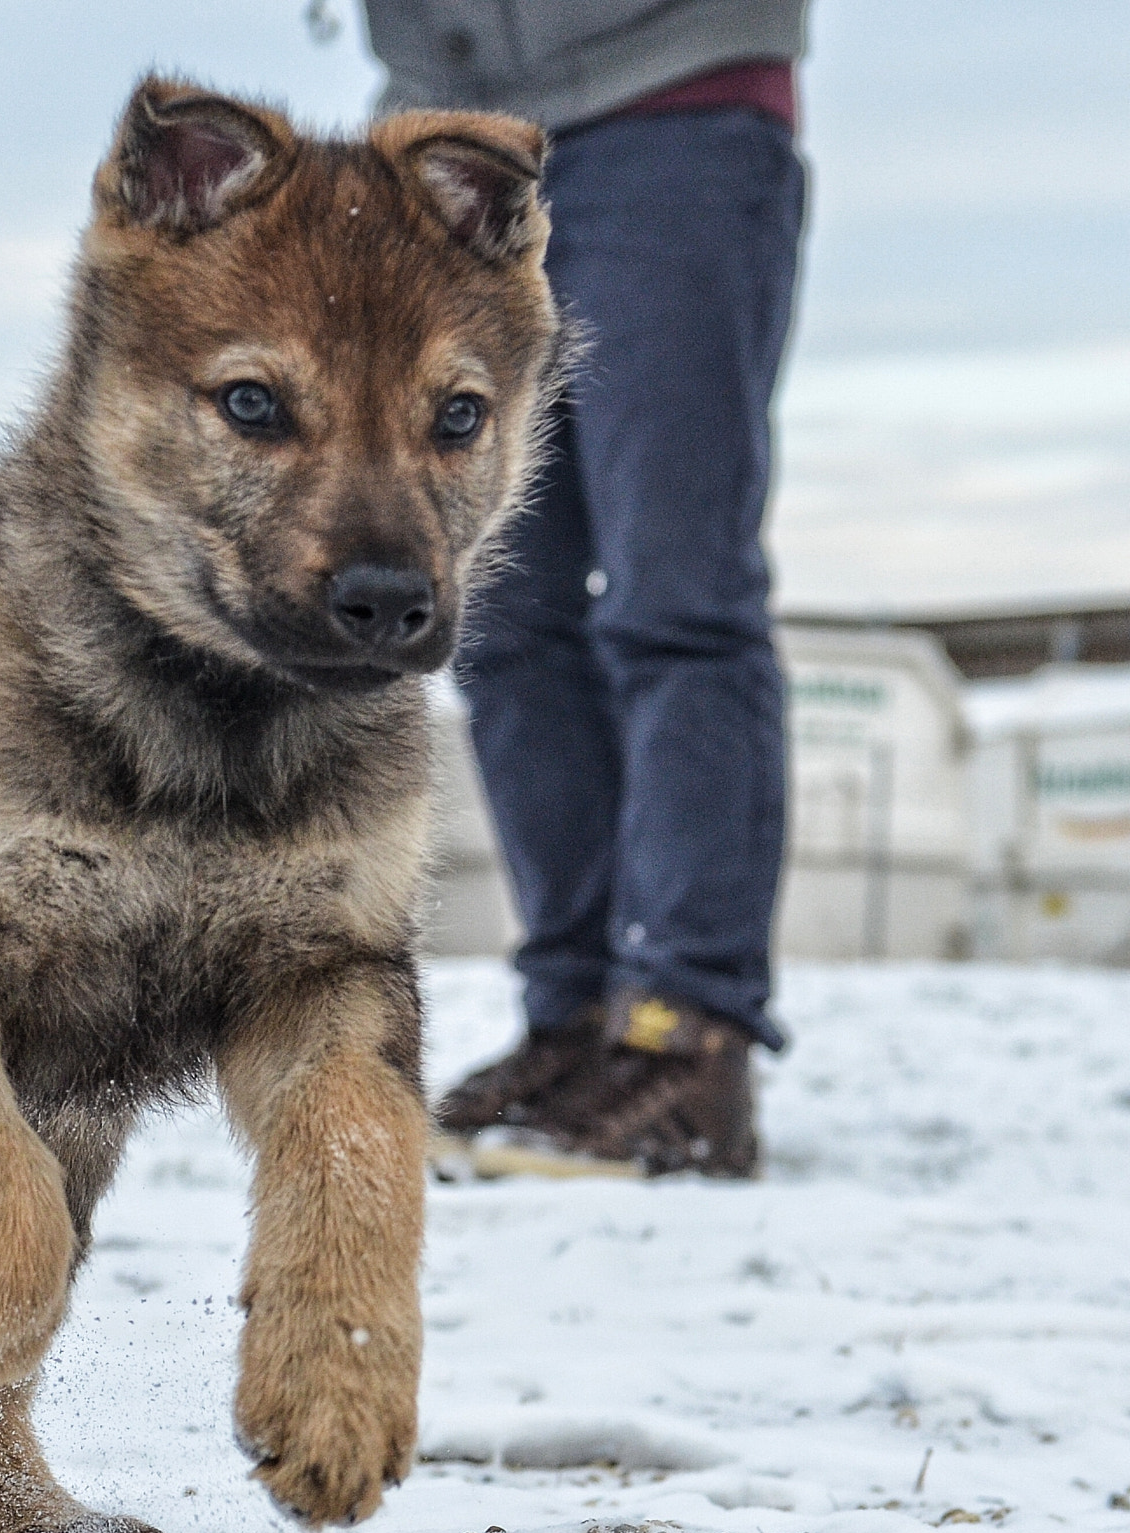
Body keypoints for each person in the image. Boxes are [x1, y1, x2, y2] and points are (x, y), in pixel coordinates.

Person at [360, 1, 810, 1177]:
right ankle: (571, 1018)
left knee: (676, 599)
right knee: (500, 619)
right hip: (441, 155)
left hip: (672, 104)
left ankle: (682, 1035)